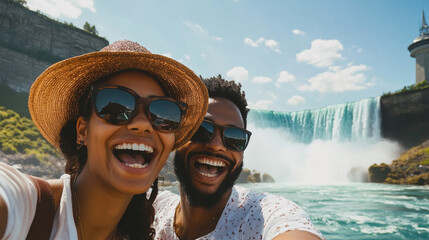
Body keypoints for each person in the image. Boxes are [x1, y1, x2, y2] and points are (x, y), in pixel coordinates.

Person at [0, 40, 208, 239]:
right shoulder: (25, 205)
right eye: (116, 107)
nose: (143, 124)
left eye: (163, 114)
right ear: (82, 130)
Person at [153, 75, 324, 240]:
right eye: (202, 130)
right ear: (179, 135)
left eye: (234, 137)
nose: (217, 145)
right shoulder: (152, 209)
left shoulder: (262, 216)